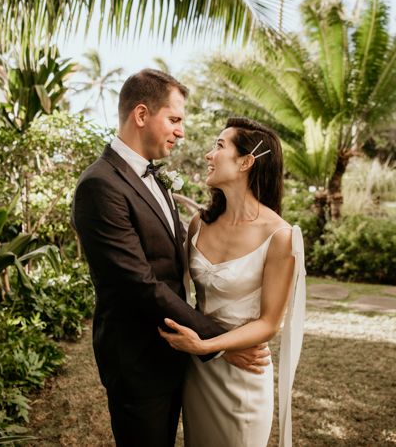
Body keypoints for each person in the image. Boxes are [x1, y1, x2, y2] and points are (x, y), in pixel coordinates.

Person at [70, 69, 271, 447]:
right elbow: (141, 286)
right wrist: (223, 341)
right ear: (141, 115)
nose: (181, 132)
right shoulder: (100, 185)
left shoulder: (156, 177)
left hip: (178, 358)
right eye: (175, 120)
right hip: (139, 365)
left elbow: (180, 251)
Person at [158, 117, 307, 447]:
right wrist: (210, 351)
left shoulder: (280, 236)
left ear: (245, 162)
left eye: (219, 146)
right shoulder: (200, 222)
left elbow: (269, 323)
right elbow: (179, 292)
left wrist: (208, 346)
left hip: (243, 374)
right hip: (198, 372)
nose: (209, 155)